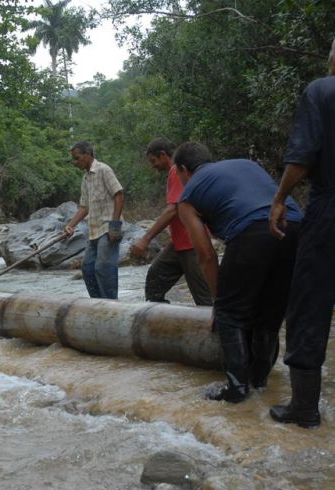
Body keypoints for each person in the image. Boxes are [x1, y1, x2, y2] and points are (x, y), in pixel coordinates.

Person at [175, 142, 303, 403]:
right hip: (296, 227)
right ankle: (260, 382)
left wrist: (218, 304)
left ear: (183, 170)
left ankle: (237, 389)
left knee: (230, 314)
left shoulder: (187, 197)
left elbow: (206, 255)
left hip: (252, 231)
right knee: (269, 314)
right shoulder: (245, 163)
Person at [268, 38, 335, 428]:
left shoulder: (322, 91)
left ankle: (305, 408)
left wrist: (280, 198)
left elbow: (302, 158)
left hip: (330, 209)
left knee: (309, 306)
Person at [130, 138, 211, 306]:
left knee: (204, 298)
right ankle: (158, 322)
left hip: (191, 243)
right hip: (179, 243)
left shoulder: (177, 170)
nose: (153, 165)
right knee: (156, 278)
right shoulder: (175, 172)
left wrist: (146, 239)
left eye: (153, 161)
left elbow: (173, 209)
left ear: (163, 155)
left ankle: (214, 328)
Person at [64, 141, 124, 299]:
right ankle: (97, 305)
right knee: (88, 268)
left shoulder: (104, 170)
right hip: (94, 231)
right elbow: (84, 207)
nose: (75, 163)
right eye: (74, 160)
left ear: (88, 154)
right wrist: (70, 226)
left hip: (108, 227)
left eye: (77, 158)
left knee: (103, 266)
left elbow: (119, 194)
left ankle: (111, 304)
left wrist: (115, 225)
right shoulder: (85, 179)